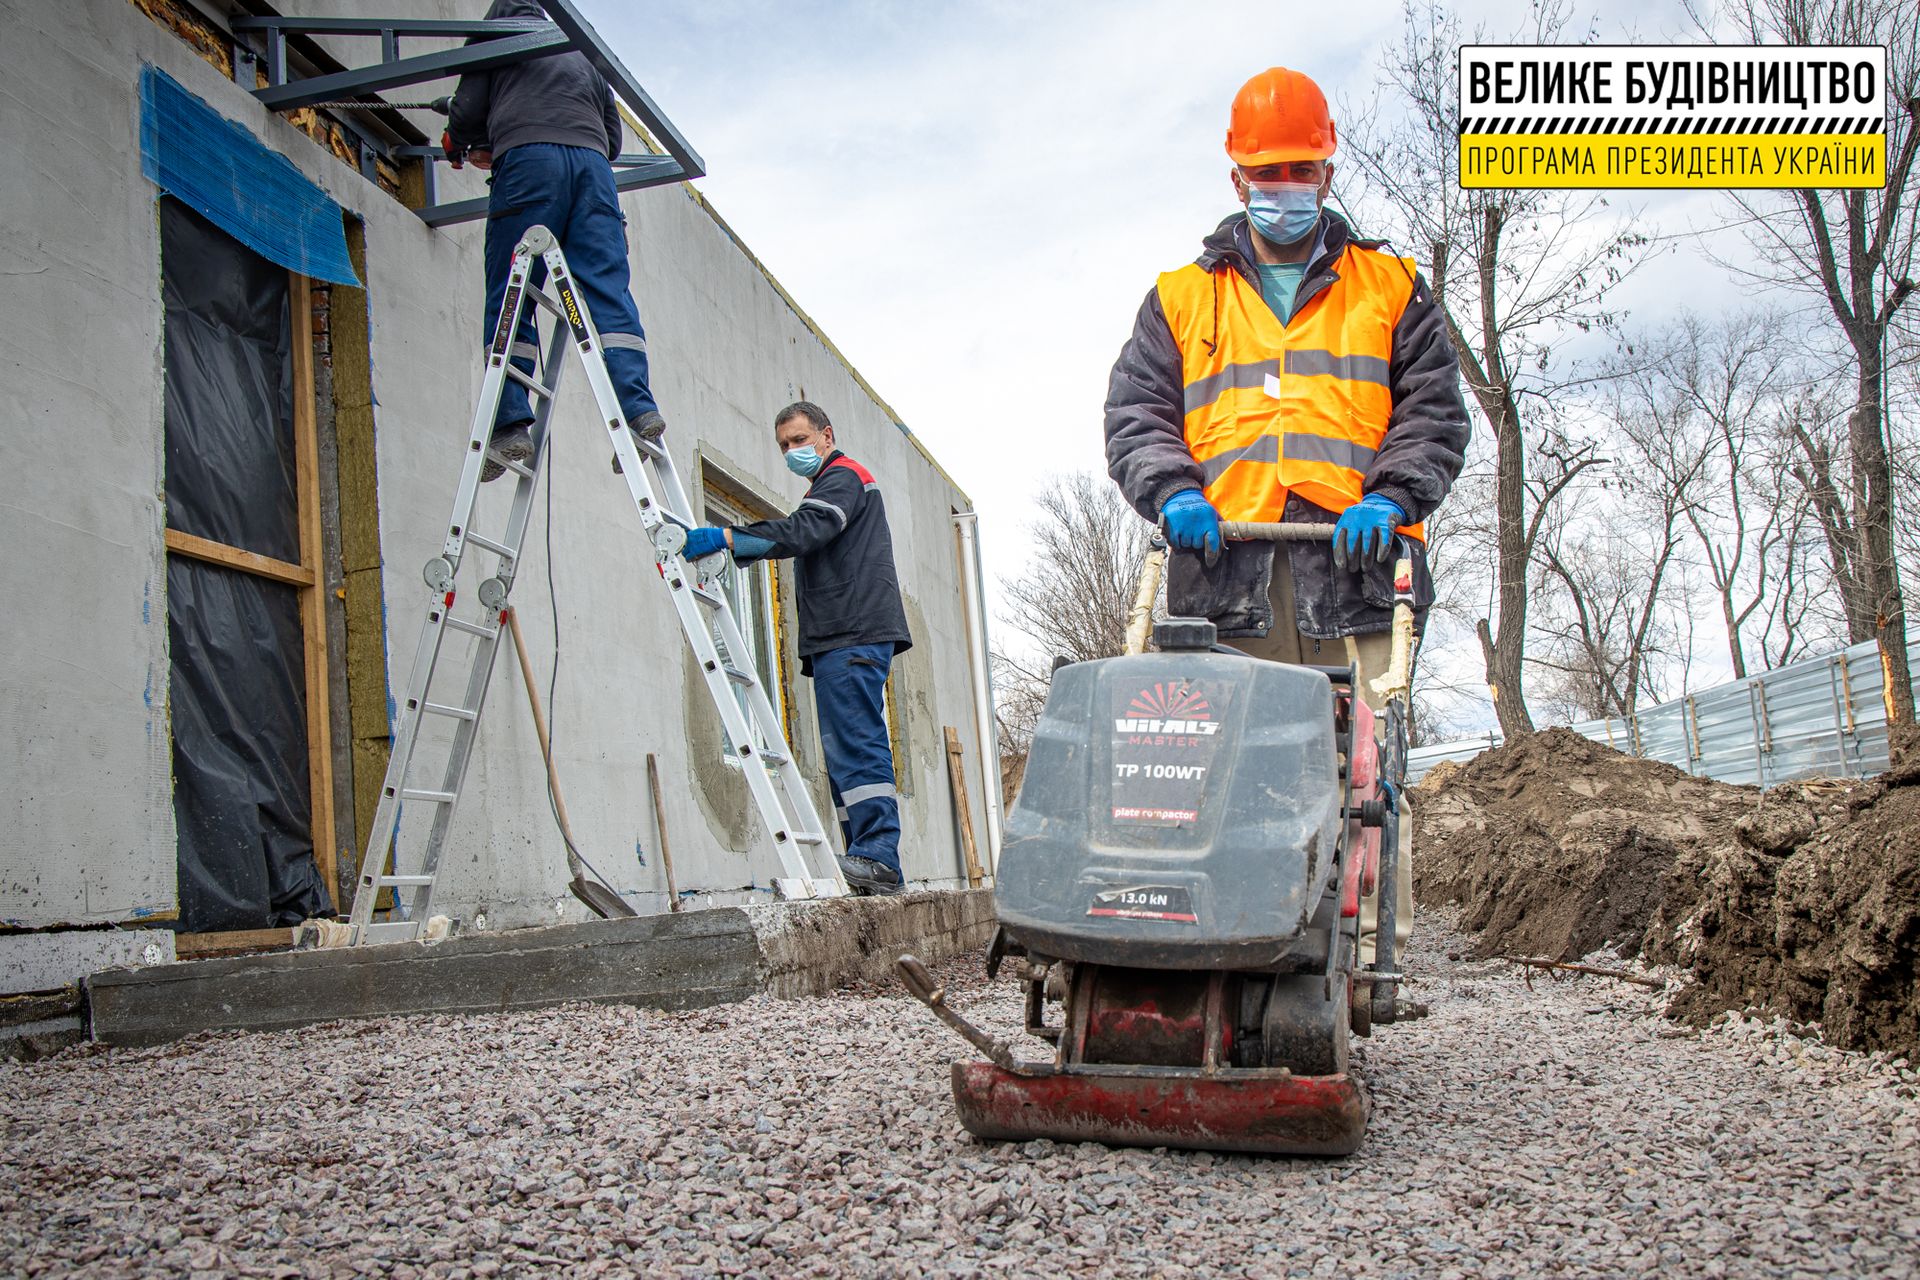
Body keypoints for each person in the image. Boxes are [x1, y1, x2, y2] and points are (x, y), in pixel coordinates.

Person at [1103, 67, 1471, 964]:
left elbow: (1433, 411)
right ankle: (1212, 940)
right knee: (1214, 768)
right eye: (1269, 173)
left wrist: (1390, 495)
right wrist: (1173, 490)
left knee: (1361, 769)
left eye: (1301, 171)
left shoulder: (1390, 286)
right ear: (1238, 179)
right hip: (1223, 570)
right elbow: (1136, 414)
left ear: (1328, 174)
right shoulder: (1180, 298)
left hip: (1355, 566)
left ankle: (1360, 954)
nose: (1285, 188)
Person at [681, 403, 914, 896]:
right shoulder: (829, 484)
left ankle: (878, 858)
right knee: (846, 750)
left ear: (827, 436)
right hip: (841, 634)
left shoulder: (843, 478)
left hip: (851, 630)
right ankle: (866, 859)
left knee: (857, 742)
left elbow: (804, 531)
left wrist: (727, 536)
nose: (791, 451)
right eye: (784, 445)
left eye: (800, 440)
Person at [446, 0, 665, 481]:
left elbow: (464, 113)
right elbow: (612, 139)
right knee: (608, 291)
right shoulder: (579, 48)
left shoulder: (495, 34)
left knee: (513, 290)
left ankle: (509, 424)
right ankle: (638, 410)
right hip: (594, 173)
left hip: (531, 166)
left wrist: (467, 141)